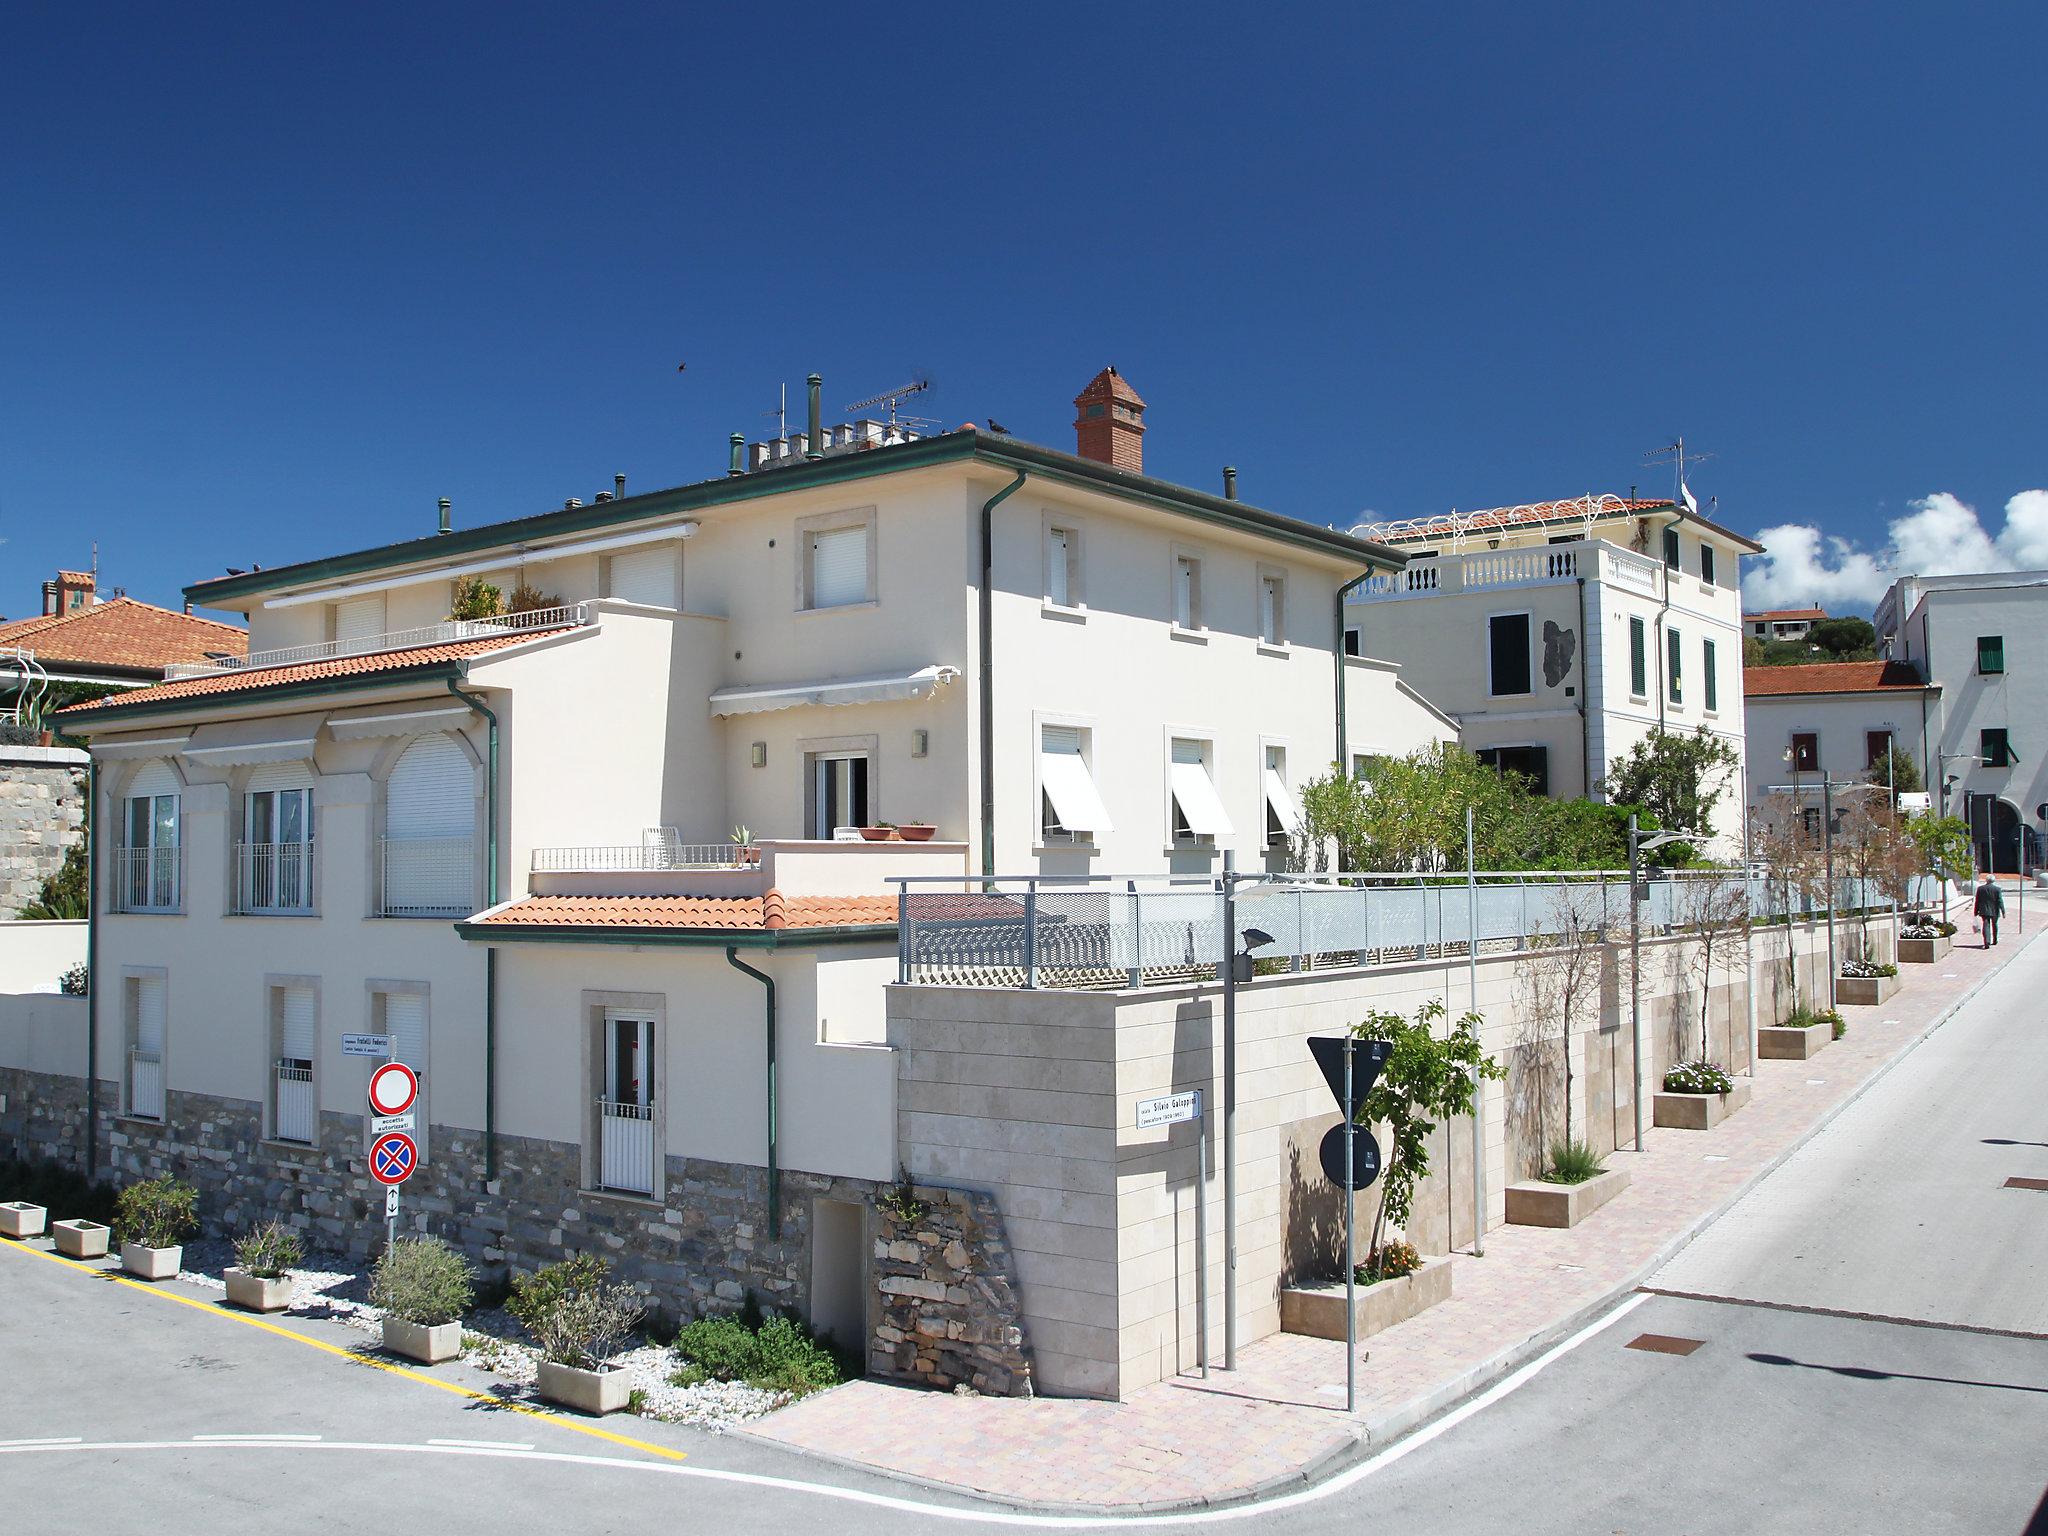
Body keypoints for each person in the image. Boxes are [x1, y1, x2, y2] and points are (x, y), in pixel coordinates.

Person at [1974, 874, 2005, 947]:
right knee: (1995, 925)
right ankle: (1995, 940)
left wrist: (1976, 911)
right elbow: (2000, 901)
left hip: (1984, 910)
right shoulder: (1997, 889)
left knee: (1986, 925)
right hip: (1995, 910)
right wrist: (2003, 911)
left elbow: (1977, 901)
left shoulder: (1980, 889)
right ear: (1993, 880)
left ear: (1986, 880)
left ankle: (1987, 941)